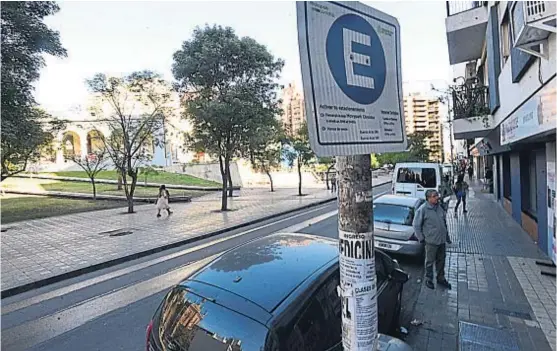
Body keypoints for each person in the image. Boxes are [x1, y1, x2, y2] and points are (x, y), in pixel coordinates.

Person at [412, 189, 452, 290]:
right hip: (431, 241)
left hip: (441, 240)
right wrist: (421, 238)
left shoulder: (439, 207)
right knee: (429, 261)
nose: (437, 198)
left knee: (441, 260)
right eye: (434, 196)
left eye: (437, 195)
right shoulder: (423, 209)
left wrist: (447, 237)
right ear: (428, 198)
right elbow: (416, 225)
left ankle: (441, 278)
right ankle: (428, 279)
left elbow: (444, 223)